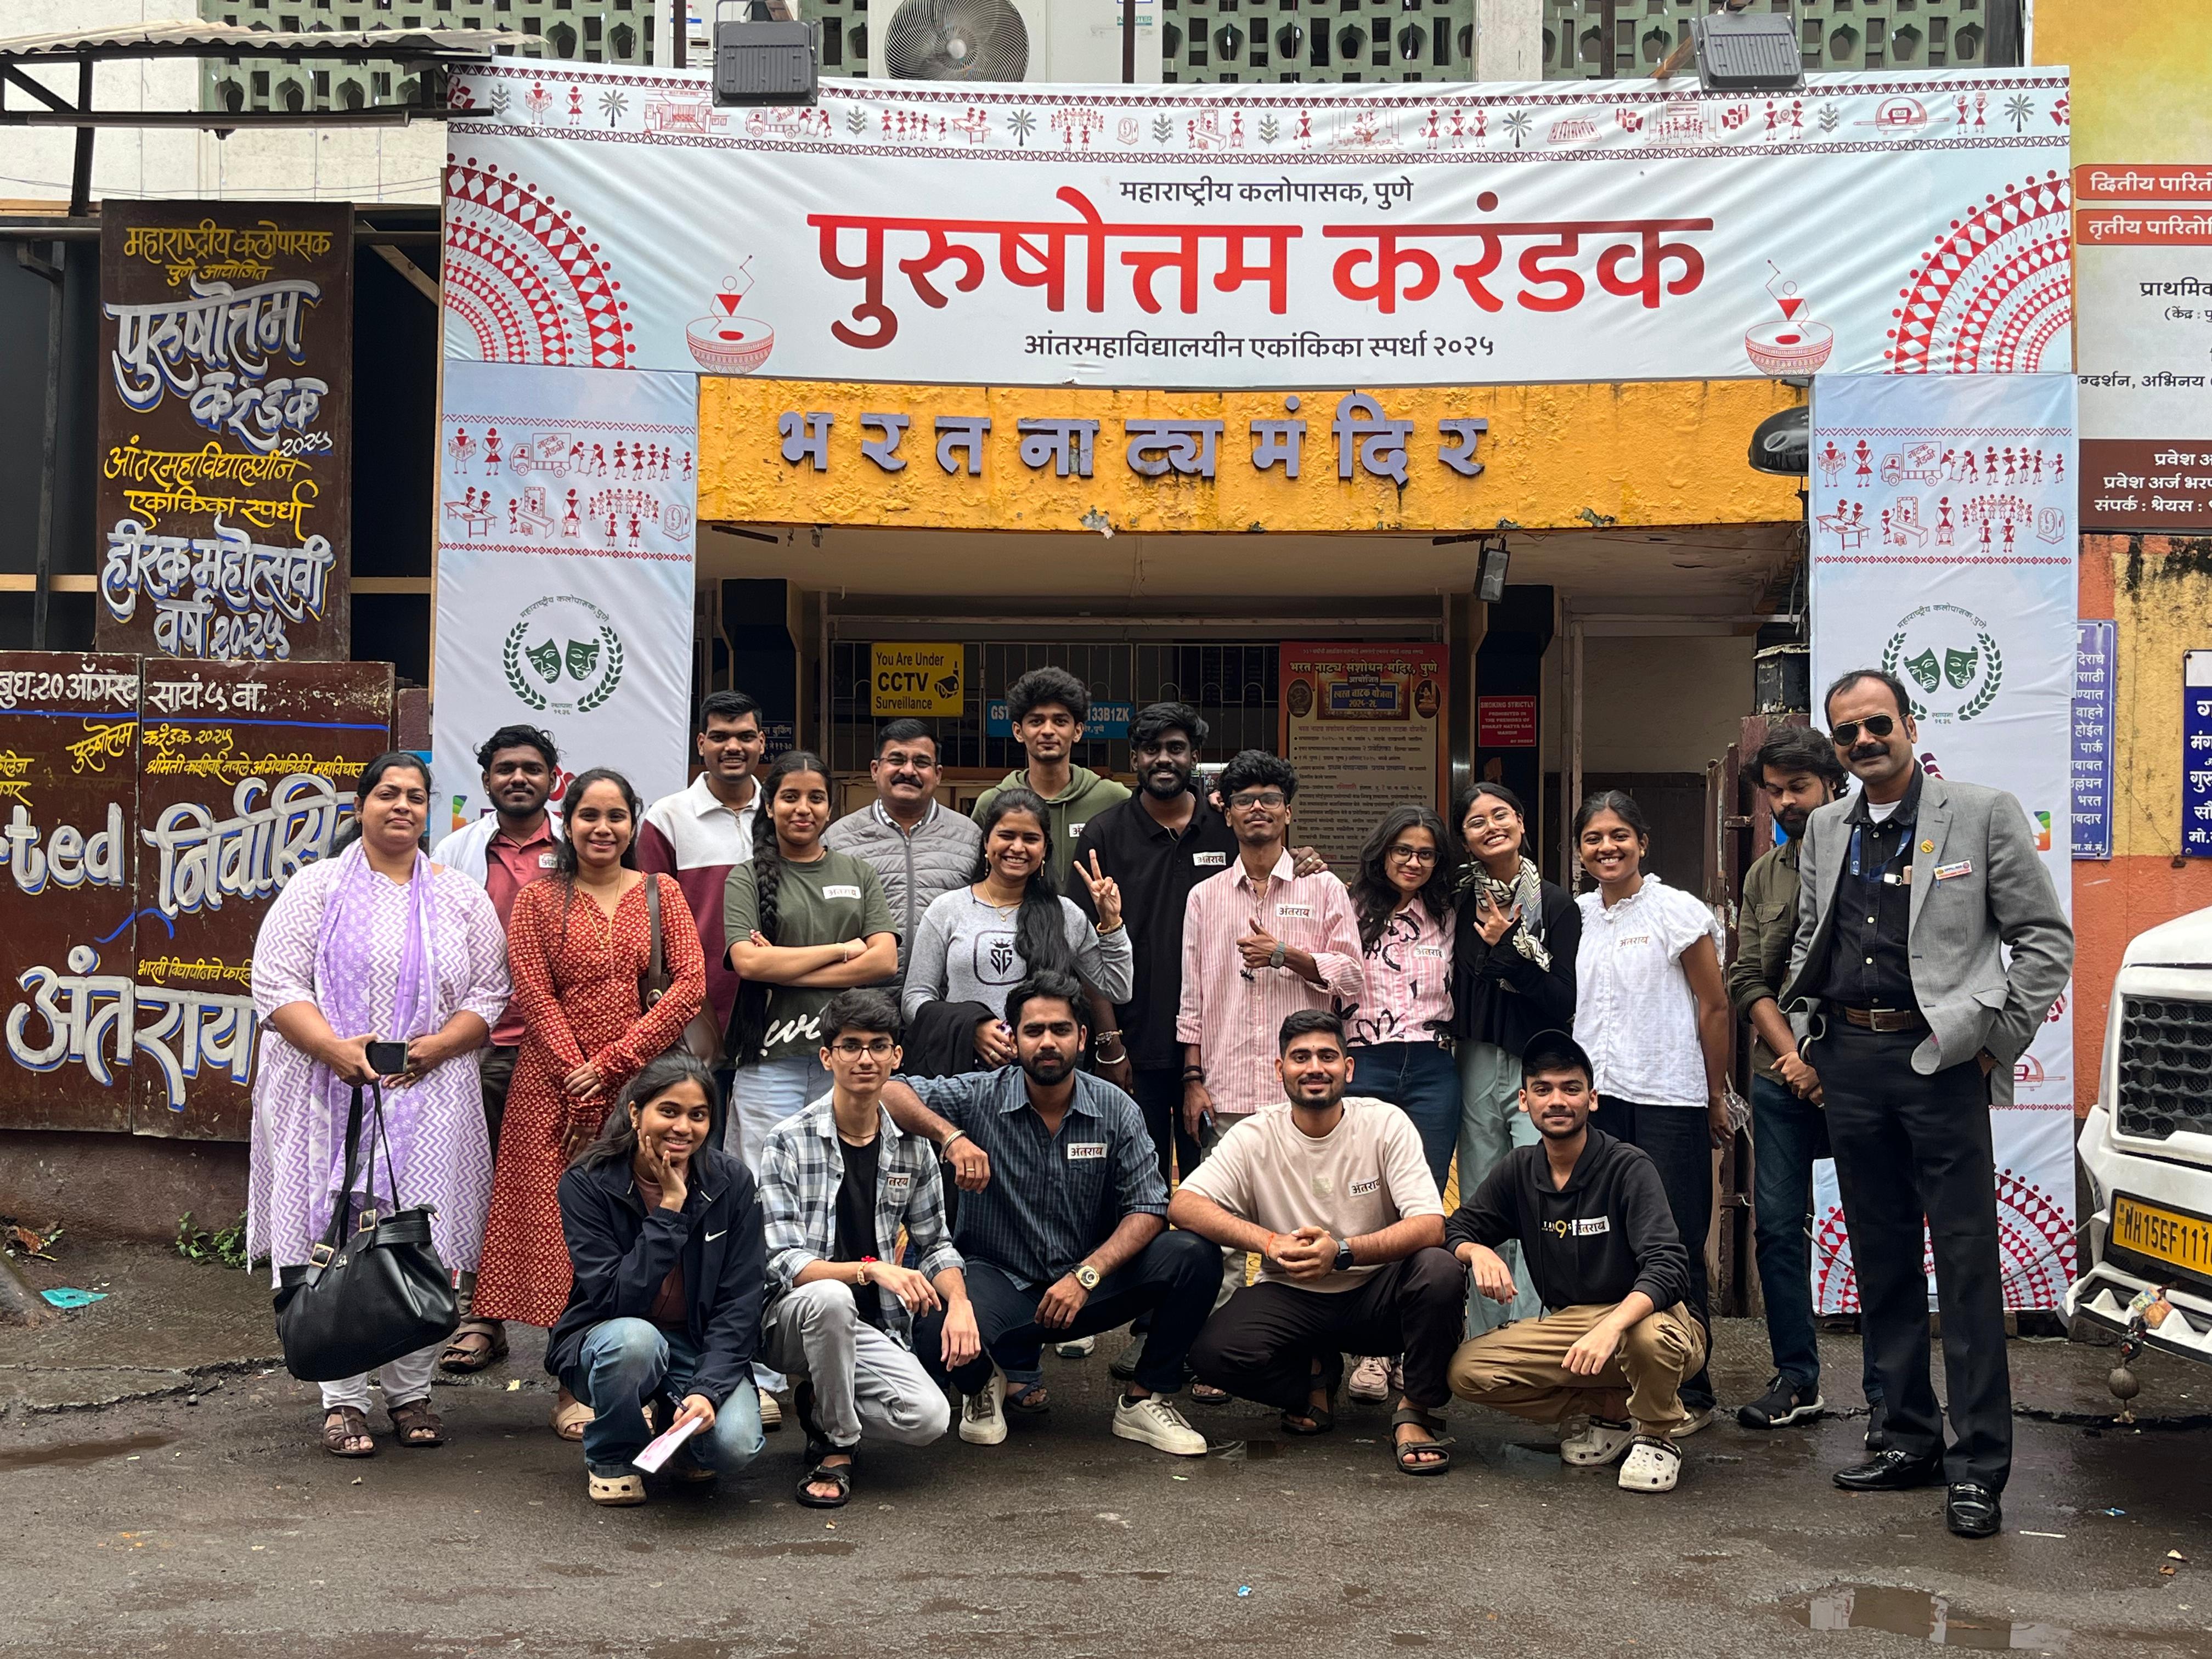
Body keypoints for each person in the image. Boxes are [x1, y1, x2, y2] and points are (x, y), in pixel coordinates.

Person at [1782, 668, 2071, 1539]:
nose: (1864, 742)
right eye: (1847, 733)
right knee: (1882, 1260)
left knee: (1967, 1264)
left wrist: (1992, 1044)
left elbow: (2044, 941)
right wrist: (1808, 1035)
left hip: (1941, 1061)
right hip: (1851, 1061)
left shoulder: (1980, 813)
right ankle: (1906, 1437)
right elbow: (1810, 933)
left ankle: (1978, 1466)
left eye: (1878, 724)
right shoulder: (1826, 826)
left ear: (1910, 724)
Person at [247, 752, 511, 1457]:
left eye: (416, 797)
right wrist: (334, 1049)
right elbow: (275, 984)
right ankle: (342, 1400)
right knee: (336, 1239)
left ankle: (410, 1392)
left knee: (420, 1243)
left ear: (429, 811)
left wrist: (437, 1047)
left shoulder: (460, 897)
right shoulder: (316, 889)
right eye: (388, 793)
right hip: (329, 1092)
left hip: (432, 1093)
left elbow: (491, 992)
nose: (403, 806)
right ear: (361, 805)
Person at [883, 972, 1217, 1458]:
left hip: (1090, 1287)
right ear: (1013, 1039)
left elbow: (1149, 1208)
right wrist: (951, 1137)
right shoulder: (980, 1095)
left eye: (1060, 1030)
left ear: (1081, 1038)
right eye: (1033, 1031)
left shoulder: (1116, 1109)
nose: (1046, 1043)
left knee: (1192, 1254)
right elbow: (890, 1092)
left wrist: (1087, 1275)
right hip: (1000, 1282)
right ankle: (985, 1382)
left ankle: (1145, 1398)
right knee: (934, 1328)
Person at [472, 768, 707, 1441]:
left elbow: (689, 986)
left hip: (642, 1093)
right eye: (589, 816)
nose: (602, 828)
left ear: (633, 824)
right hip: (550, 1088)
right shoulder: (538, 900)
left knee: (637, 1228)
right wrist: (576, 1072)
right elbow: (532, 990)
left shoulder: (661, 893)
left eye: (616, 816)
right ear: (567, 823)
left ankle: (637, 1377)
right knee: (561, 1238)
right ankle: (572, 1384)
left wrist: (610, 1067)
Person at [1174, 1011, 1460, 1475]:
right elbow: (1184, 1205)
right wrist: (1269, 1242)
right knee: (1212, 1355)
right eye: (1300, 1057)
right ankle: (1314, 1379)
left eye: (1327, 1057)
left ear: (1348, 1068)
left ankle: (1415, 1410)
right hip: (1292, 1294)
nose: (1314, 1068)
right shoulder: (1255, 1134)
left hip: (1375, 1295)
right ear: (1280, 1069)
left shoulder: (1385, 1123)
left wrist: (1343, 1252)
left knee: (1440, 1270)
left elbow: (1430, 1225)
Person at [1444, 1031, 1705, 1495]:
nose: (1557, 1101)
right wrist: (1476, 1251)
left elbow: (1669, 1268)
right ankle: (1612, 1411)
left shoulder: (1628, 1166)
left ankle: (1657, 1434)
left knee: (1645, 1339)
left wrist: (1613, 1327)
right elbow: (1456, 1228)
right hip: (1574, 1324)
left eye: (1571, 1088)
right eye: (1543, 1089)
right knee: (1469, 1371)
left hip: (1654, 1318)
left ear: (1593, 1099)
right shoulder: (1520, 1169)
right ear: (1524, 1101)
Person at [1724, 725, 1883, 1438]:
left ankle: (1889, 1391)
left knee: (1877, 1228)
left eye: (1800, 787)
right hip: (1780, 1077)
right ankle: (1797, 1378)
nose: (1786, 802)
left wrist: (1828, 1063)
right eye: (1775, 792)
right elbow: (1749, 978)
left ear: (1833, 784)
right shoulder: (1765, 874)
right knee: (1779, 1229)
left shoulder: (1872, 856)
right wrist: (1794, 1058)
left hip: (1864, 1074)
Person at [756, 991, 972, 1507]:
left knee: (929, 1419)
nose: (865, 1058)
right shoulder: (787, 1140)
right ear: (826, 1057)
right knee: (833, 1298)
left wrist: (961, 1305)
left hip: (870, 1325)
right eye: (850, 1046)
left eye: (879, 1046)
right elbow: (784, 1262)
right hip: (790, 1321)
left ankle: (819, 1406)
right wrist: (871, 1271)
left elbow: (935, 1243)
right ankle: (837, 1446)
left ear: (897, 1057)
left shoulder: (913, 1149)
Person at [1177, 749, 1364, 1308]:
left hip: (1303, 1094)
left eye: (1270, 799)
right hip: (1227, 1089)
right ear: (1227, 813)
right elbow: (1192, 998)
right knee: (1225, 1235)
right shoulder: (1204, 898)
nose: (1257, 808)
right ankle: (1221, 1342)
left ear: (1288, 812)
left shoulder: (1324, 889)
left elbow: (1353, 977)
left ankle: (1300, 1339)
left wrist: (1286, 955)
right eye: (1244, 800)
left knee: (1305, 1225)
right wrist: (1192, 1080)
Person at [1571, 789, 1730, 1437]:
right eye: (1593, 838)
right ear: (1580, 851)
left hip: (1668, 1098)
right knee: (1607, 1243)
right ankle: (1617, 1390)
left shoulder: (1677, 911)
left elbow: (1714, 1007)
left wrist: (1715, 1095)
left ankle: (1692, 1389)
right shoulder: (1576, 916)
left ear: (1642, 842)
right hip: (1597, 1104)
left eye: (1619, 836)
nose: (1607, 848)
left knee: (1676, 1241)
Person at [546, 1052, 767, 1506]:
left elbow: (740, 1302)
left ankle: (679, 1431)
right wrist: (669, 1209)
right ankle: (613, 1455)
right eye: (669, 1111)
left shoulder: (732, 1182)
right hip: (612, 1338)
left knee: (734, 1445)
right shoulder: (588, 1182)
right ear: (635, 1113)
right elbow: (614, 1299)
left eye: (698, 1115)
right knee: (635, 1341)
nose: (683, 1127)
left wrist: (707, 1390)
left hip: (697, 1343)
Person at [430, 723, 565, 1376]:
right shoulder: (456, 850)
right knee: (480, 1182)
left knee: (569, 1183)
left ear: (553, 781)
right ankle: (482, 1316)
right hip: (484, 1043)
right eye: (506, 769)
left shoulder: (576, 843)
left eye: (532, 769)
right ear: (485, 780)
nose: (519, 778)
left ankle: (574, 1318)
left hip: (564, 1046)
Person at [724, 749, 899, 1165]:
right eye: (790, 797)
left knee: (837, 1175)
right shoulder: (745, 878)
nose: (803, 809)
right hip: (769, 1060)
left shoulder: (859, 873)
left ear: (830, 808)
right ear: (769, 806)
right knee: (762, 1177)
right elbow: (748, 963)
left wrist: (782, 969)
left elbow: (884, 961)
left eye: (816, 798)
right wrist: (843, 950)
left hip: (846, 1056)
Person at [1452, 781, 1579, 1339]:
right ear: (1465, 840)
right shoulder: (1458, 901)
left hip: (1540, 1065)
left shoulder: (1555, 904)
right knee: (1484, 1196)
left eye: (1501, 814)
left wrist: (1508, 948)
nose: (1492, 827)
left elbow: (1561, 997)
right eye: (1476, 822)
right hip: (1477, 1057)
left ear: (1522, 822)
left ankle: (1532, 1330)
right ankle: (1483, 1335)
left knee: (1541, 1193)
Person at [902, 787, 1134, 1059]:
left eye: (1031, 838)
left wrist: (1111, 923)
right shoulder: (947, 909)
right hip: (964, 1070)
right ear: (986, 842)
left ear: (1044, 849)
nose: (1017, 847)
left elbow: (1118, 990)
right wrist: (970, 1027)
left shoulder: (1066, 914)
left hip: (1044, 1069)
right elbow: (914, 998)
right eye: (1007, 835)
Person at [639, 690, 769, 1062]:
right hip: (692, 1010)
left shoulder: (784, 814)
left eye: (745, 736)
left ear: (762, 742)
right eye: (719, 737)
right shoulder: (666, 818)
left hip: (775, 1007)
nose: (733, 747)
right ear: (701, 744)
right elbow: (647, 921)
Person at [1344, 804, 1460, 1189]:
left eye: (1426, 854)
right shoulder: (1347, 909)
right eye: (1403, 851)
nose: (1414, 862)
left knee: (1426, 1187)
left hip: (1432, 1069)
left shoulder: (1447, 915)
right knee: (1361, 1187)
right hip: (1363, 1063)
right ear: (1383, 852)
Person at [821, 718, 980, 989]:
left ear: (938, 774)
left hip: (943, 1002)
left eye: (921, 762)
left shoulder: (970, 838)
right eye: (897, 760)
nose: (908, 771)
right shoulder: (838, 840)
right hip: (860, 1001)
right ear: (875, 769)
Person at [969, 666, 1130, 890]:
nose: (1048, 731)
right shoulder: (991, 803)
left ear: (1078, 731)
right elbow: (978, 878)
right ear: (1018, 731)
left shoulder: (1115, 799)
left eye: (1060, 721)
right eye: (1036, 721)